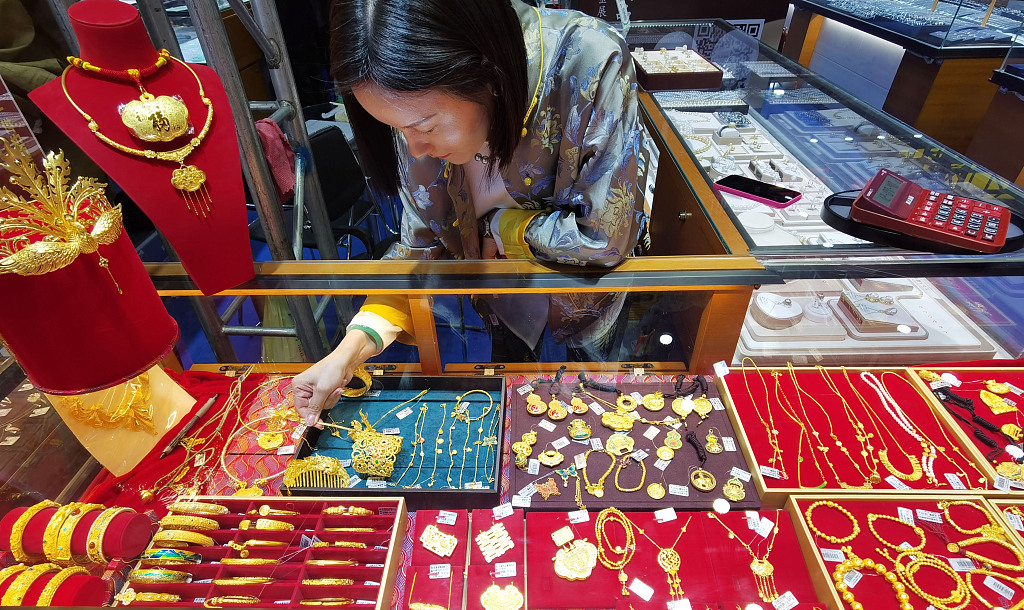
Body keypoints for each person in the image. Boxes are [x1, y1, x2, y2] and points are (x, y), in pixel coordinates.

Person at [293, 0, 656, 425]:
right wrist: (347, 352)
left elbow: (603, 237)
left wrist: (503, 226)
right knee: (520, 424)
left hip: (586, 307)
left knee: (593, 426)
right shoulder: (409, 104)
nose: (414, 148)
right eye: (397, 128)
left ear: (486, 72)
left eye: (425, 127)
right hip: (497, 307)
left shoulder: (589, 61)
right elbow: (420, 249)